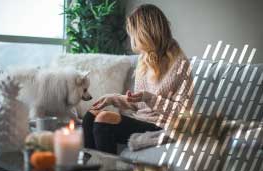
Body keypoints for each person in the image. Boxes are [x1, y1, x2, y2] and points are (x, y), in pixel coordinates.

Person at [82, 4, 193, 154]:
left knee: (104, 119)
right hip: (141, 119)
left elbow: (183, 113)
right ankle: (91, 168)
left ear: (145, 33)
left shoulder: (180, 64)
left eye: (133, 33)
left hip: (163, 126)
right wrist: (113, 98)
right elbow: (139, 104)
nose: (132, 38)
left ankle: (110, 168)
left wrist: (149, 98)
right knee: (91, 115)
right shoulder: (144, 59)